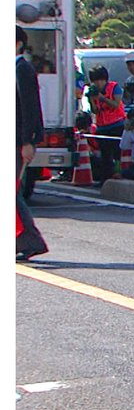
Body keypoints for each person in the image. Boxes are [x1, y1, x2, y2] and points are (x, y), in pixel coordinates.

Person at [17, 25, 49, 261]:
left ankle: (30, 239)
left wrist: (29, 141)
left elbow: (30, 108)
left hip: (17, 140)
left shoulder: (22, 69)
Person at [84, 65, 127, 183]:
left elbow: (116, 104)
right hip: (102, 126)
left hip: (116, 124)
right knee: (105, 154)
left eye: (100, 80)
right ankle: (105, 177)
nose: (98, 83)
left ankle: (118, 173)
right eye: (95, 81)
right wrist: (92, 100)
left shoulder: (114, 87)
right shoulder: (94, 91)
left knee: (117, 152)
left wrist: (102, 98)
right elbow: (95, 111)